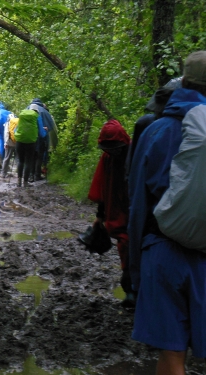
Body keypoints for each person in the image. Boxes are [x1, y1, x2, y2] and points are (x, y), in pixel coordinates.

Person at [128, 51, 206, 375]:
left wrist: (134, 269)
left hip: (162, 252)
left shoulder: (155, 131)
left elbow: (137, 206)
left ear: (183, 82)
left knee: (172, 357)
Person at [87, 119, 134, 306]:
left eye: (115, 146)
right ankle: (130, 289)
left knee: (135, 247)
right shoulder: (107, 158)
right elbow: (102, 186)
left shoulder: (135, 154)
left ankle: (134, 288)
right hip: (116, 209)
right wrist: (100, 216)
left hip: (135, 208)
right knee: (124, 245)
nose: (112, 151)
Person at [14, 103, 47, 187]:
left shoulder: (22, 115)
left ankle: (18, 181)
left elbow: (16, 130)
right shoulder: (37, 116)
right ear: (37, 110)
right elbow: (42, 134)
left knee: (21, 161)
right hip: (31, 142)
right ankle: (25, 182)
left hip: (20, 141)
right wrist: (45, 130)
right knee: (28, 162)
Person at [28, 98, 56, 181]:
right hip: (41, 138)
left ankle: (30, 175)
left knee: (32, 157)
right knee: (39, 157)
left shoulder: (27, 109)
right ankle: (37, 175)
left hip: (29, 138)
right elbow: (50, 126)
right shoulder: (44, 111)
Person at [0, 112, 17, 178]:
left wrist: (6, 143)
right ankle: (20, 174)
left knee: (7, 158)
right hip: (17, 143)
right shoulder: (17, 122)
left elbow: (6, 133)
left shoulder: (8, 123)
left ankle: (3, 173)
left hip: (9, 143)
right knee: (18, 158)